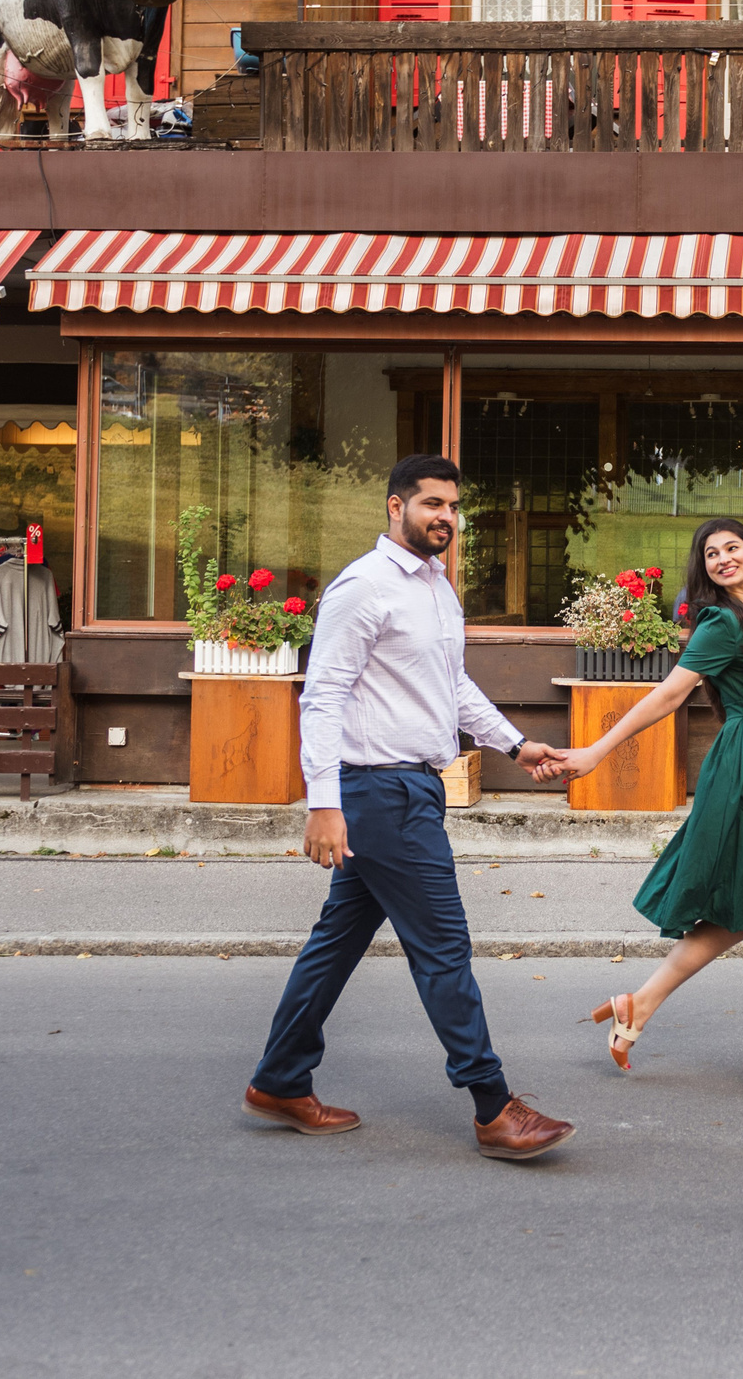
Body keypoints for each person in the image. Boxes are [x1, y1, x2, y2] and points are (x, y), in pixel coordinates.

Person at [242, 454, 578, 1160]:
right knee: (443, 946)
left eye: (453, 506)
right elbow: (323, 695)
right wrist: (323, 801)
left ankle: (278, 1079)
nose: (445, 518)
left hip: (411, 785)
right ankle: (493, 1104)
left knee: (335, 943)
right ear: (394, 507)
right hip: (381, 792)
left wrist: (517, 745)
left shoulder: (437, 589)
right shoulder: (363, 588)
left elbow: (450, 687)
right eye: (431, 504)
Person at [543, 518, 743, 1097]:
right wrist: (597, 752)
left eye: (732, 548)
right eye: (711, 553)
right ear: (703, 567)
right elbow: (670, 694)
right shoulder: (722, 623)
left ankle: (639, 1004)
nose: (723, 559)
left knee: (740, 910)